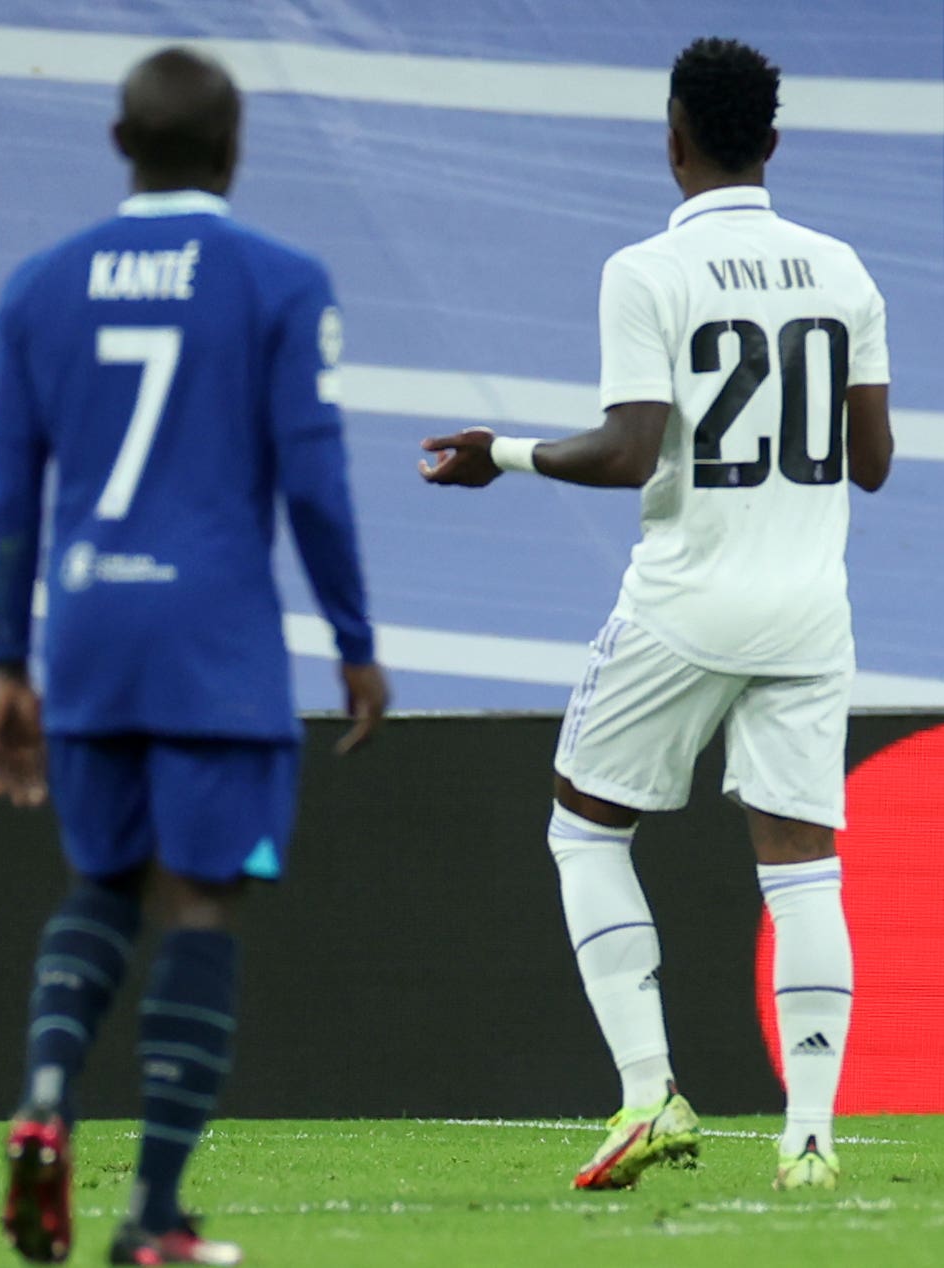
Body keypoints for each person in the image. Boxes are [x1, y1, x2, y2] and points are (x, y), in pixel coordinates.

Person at [419, 37, 892, 1192]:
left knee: (585, 826)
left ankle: (648, 1093)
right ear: (772, 143)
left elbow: (632, 449)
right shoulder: (844, 270)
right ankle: (812, 1141)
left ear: (672, 139)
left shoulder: (645, 272)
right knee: (802, 869)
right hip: (808, 609)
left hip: (687, 600)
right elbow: (872, 461)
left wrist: (506, 454)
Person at [0, 47, 389, 1266]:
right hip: (217, 642)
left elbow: (14, 495)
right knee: (201, 900)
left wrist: (9, 664)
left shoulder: (38, 287)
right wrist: (356, 643)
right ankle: (153, 1212)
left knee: (101, 884)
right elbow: (314, 482)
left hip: (91, 633)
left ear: (120, 144)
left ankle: (47, 1098)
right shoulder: (279, 280)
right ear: (234, 148)